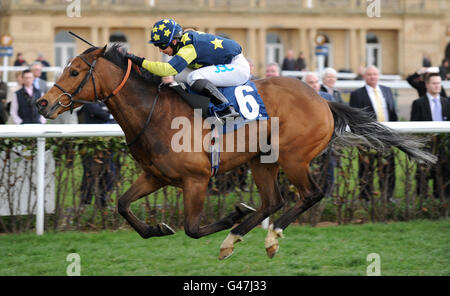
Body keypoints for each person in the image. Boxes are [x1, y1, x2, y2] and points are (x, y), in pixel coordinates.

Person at [125, 18, 249, 120]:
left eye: (162, 45)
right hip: (224, 65)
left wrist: (140, 61)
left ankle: (226, 108)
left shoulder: (189, 49)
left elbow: (166, 69)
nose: (161, 50)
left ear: (174, 41)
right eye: (157, 46)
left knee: (193, 77)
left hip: (237, 68)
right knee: (179, 76)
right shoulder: (184, 41)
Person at [349, 65, 398, 202]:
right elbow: (354, 119)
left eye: (375, 74)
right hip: (367, 138)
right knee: (366, 168)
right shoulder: (357, 94)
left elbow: (392, 113)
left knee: (388, 167)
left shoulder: (387, 91)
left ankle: (388, 196)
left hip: (386, 136)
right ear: (364, 77)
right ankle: (366, 197)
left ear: (378, 75)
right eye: (369, 74)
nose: (372, 76)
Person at [410, 72, 450, 199]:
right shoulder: (418, 103)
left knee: (443, 175)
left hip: (444, 147)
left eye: (439, 83)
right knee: (423, 176)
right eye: (434, 83)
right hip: (426, 147)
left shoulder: (447, 102)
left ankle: (441, 201)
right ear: (427, 85)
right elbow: (414, 126)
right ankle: (423, 202)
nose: (437, 86)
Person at [303, 72, 336, 197]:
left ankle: (328, 197)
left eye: (316, 82)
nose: (315, 85)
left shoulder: (327, 97)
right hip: (305, 145)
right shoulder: (298, 100)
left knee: (328, 170)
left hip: (325, 142)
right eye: (311, 82)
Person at [79, 103, 117, 207]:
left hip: (107, 144)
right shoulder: (89, 103)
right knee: (90, 174)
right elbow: (101, 113)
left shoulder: (104, 101)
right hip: (93, 145)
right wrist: (108, 112)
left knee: (108, 173)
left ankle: (102, 200)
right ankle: (85, 202)